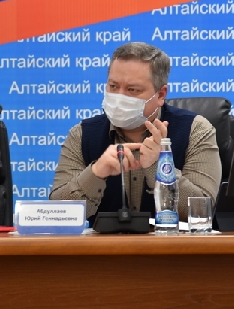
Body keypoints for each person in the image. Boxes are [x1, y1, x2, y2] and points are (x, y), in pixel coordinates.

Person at [50, 42, 222, 224]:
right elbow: (58, 215)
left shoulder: (196, 130)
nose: (119, 97)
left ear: (161, 95)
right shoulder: (82, 134)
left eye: (132, 90)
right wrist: (96, 173)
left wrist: (159, 168)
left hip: (173, 242)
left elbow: (202, 212)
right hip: (105, 243)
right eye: (113, 86)